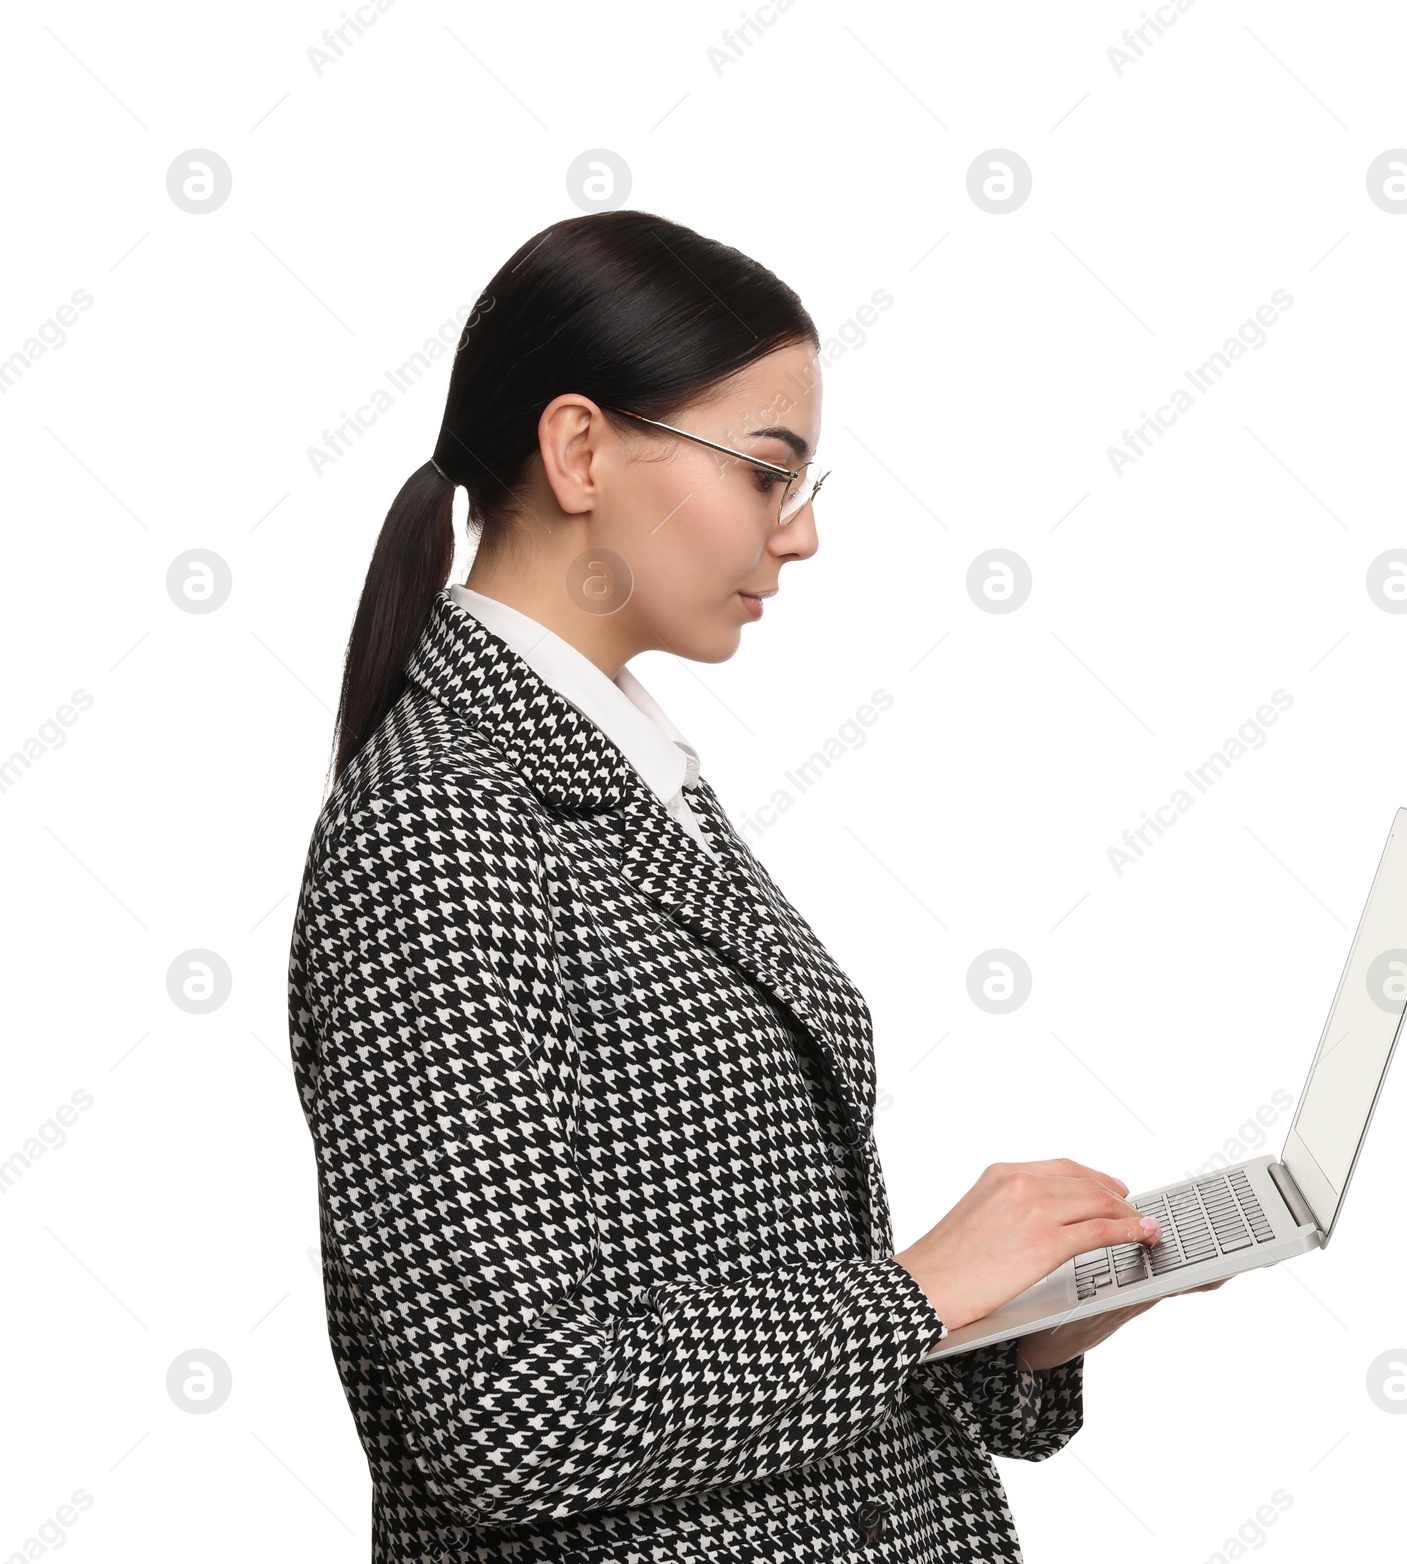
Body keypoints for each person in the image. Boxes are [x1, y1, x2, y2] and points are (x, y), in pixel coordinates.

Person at [287, 208, 1222, 1564]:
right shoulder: (439, 829)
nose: (799, 536)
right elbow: (508, 1416)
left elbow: (734, 1307)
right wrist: (915, 1292)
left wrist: (1010, 1328)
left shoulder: (624, 775)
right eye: (769, 473)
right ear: (581, 448)